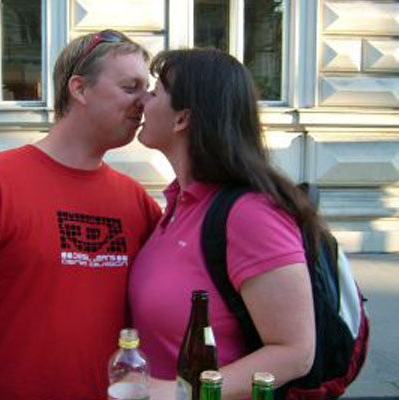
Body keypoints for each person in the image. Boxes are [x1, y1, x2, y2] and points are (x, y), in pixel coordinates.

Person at [0, 30, 162, 400]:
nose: (145, 102)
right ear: (80, 89)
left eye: (148, 89)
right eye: (130, 87)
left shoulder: (136, 202)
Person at [129, 48, 320, 400]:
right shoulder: (178, 204)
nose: (142, 100)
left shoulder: (251, 214)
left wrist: (179, 393)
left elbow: (295, 353)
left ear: (182, 118)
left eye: (154, 92)